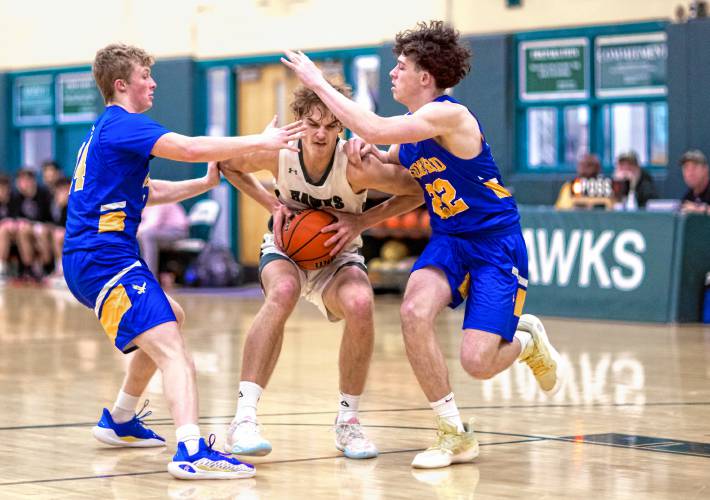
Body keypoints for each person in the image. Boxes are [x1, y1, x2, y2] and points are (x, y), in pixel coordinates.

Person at [282, 20, 564, 469]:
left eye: (400, 66)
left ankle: (526, 342)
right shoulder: (414, 129)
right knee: (413, 312)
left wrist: (318, 83)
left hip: (494, 244)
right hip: (450, 240)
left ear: (424, 78)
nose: (393, 73)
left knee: (478, 362)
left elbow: (374, 128)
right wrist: (364, 160)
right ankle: (453, 432)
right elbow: (387, 153)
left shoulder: (450, 116)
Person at [62, 43, 305, 480]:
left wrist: (206, 183)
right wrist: (262, 140)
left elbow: (148, 193)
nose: (152, 83)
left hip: (95, 259)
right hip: (103, 260)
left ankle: (119, 419)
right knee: (175, 350)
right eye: (144, 77)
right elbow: (190, 146)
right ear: (121, 85)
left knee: (170, 316)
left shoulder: (106, 130)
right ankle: (191, 450)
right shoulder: (123, 125)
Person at [218, 83, 423, 460]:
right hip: (287, 252)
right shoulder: (279, 152)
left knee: (361, 302)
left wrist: (361, 221)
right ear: (299, 122)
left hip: (338, 257)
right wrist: (270, 203)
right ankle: (243, 419)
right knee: (282, 294)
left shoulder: (356, 163)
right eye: (313, 124)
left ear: (342, 128)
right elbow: (227, 164)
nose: (320, 134)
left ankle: (348, 422)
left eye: (331, 126)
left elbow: (416, 191)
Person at [9, 169, 53, 280]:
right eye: (20, 180)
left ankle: (47, 267)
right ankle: (28, 268)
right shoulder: (16, 195)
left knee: (41, 232)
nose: (23, 183)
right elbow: (14, 216)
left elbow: (47, 216)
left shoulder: (43, 193)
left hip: (44, 225)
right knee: (23, 231)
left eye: (26, 180)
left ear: (32, 181)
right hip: (26, 228)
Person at [137, 202, 189, 276]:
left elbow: (152, 224)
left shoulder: (160, 198)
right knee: (141, 237)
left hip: (177, 232)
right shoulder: (146, 203)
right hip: (161, 231)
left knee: (147, 235)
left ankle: (149, 276)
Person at [679, 149, 710, 213]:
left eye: (694, 167)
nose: (690, 173)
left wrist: (700, 210)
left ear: (705, 169)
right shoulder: (689, 196)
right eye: (686, 168)